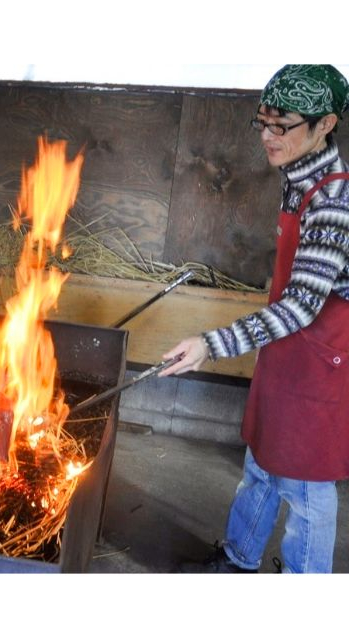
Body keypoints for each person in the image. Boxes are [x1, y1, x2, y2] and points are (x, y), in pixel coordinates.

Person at [161, 65, 349, 573]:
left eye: (281, 126)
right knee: (261, 463)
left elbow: (302, 305)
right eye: (262, 123)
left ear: (326, 124)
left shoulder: (333, 203)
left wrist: (210, 344)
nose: (267, 136)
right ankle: (239, 557)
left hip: (319, 366)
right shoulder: (298, 178)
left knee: (306, 491)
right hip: (286, 353)